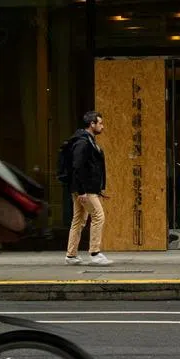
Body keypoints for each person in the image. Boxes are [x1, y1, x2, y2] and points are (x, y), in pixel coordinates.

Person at [64, 110, 113, 266]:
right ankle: (95, 252)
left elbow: (91, 167)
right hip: (85, 190)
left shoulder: (87, 140)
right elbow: (77, 167)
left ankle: (71, 255)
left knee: (78, 220)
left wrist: (98, 189)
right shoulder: (83, 142)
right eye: (100, 123)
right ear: (92, 124)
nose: (102, 127)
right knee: (98, 216)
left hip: (85, 189)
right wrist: (82, 191)